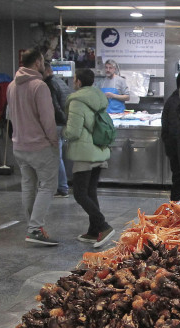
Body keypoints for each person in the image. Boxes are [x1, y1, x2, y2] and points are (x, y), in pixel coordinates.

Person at [7, 49, 60, 246]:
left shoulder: (12, 85)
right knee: (47, 186)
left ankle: (32, 226)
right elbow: (47, 119)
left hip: (19, 145)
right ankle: (35, 229)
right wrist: (54, 142)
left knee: (28, 185)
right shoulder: (39, 86)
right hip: (39, 146)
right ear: (38, 61)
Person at [63, 68, 116, 248]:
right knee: (90, 191)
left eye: (74, 79)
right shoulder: (99, 98)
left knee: (79, 193)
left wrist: (62, 133)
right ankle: (94, 230)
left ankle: (103, 225)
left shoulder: (77, 101)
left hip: (84, 153)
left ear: (78, 82)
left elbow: (73, 131)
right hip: (99, 150)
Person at [43, 61, 72, 197]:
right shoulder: (60, 82)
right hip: (63, 123)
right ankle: (61, 186)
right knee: (57, 156)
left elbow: (54, 106)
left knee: (55, 157)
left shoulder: (49, 84)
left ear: (46, 70)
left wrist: (60, 120)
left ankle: (61, 187)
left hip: (56, 124)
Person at [160, 70, 180, 201]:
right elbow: (175, 132)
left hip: (178, 151)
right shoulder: (176, 103)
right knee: (179, 183)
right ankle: (175, 213)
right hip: (178, 153)